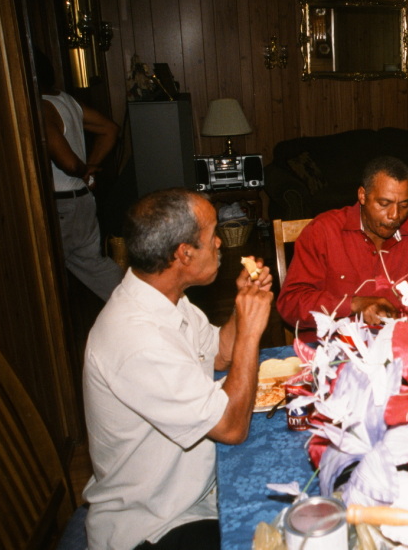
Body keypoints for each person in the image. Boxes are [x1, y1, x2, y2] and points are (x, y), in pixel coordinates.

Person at [83, 188, 274, 550]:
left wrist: (241, 307)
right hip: (154, 523)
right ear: (184, 253)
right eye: (212, 234)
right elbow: (232, 428)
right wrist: (250, 332)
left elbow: (219, 355)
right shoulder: (137, 339)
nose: (219, 242)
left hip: (195, 492)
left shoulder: (166, 300)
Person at [277, 155, 408, 329]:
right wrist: (353, 305)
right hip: (335, 342)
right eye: (384, 203)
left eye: (404, 206)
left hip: (402, 341)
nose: (395, 215)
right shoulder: (323, 232)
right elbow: (291, 304)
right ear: (362, 195)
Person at [37, 50, 123, 301]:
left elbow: (68, 163)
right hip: (81, 199)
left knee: (45, 272)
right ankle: (143, 306)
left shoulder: (41, 108)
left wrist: (84, 169)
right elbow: (110, 129)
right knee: (94, 264)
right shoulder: (65, 100)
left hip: (62, 203)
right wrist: (91, 166)